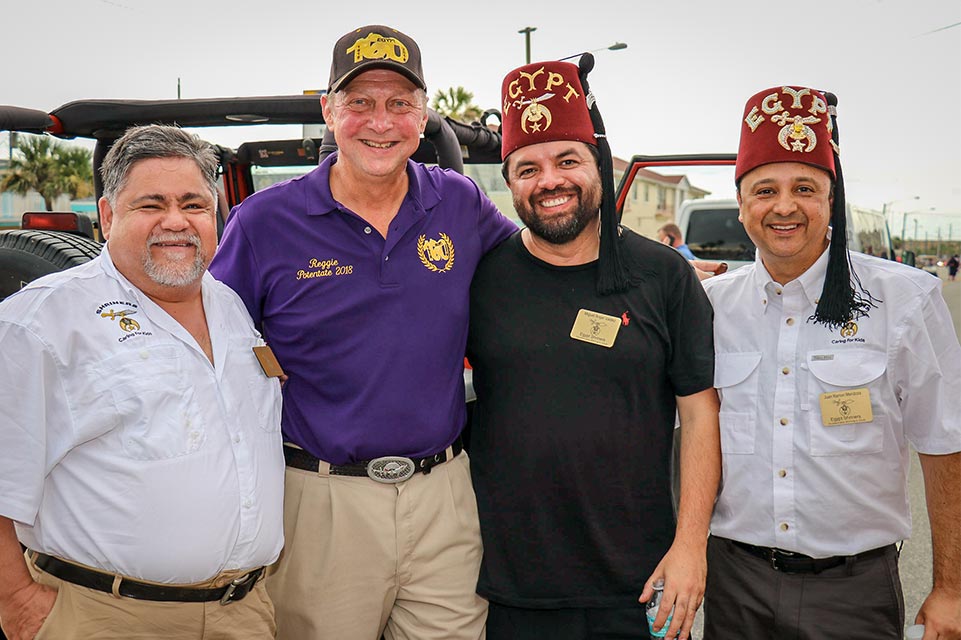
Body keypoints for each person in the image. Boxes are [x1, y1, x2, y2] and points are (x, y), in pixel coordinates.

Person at [208, 25, 517, 640]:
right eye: (360, 103)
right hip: (322, 501)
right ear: (329, 110)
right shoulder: (264, 223)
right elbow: (207, 347)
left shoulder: (458, 202)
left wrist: (661, 267)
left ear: (423, 113)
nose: (382, 121)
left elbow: (541, 268)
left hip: (445, 497)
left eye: (400, 103)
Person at [466, 57, 720, 640]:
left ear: (598, 166)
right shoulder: (482, 279)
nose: (549, 181)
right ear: (509, 182)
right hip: (513, 586)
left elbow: (700, 414)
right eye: (527, 168)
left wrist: (690, 546)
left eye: (567, 160)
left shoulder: (663, 276)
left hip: (642, 580)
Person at [0, 124, 284, 640]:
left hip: (241, 613)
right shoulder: (40, 321)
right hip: (106, 617)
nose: (175, 222)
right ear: (108, 216)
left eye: (194, 205)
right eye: (151, 204)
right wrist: (17, 601)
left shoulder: (231, 307)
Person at [702, 86, 961, 639]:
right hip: (735, 585)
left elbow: (946, 444)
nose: (785, 206)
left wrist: (951, 589)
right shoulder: (710, 309)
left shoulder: (905, 299)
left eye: (805, 188)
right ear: (742, 203)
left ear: (831, 199)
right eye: (764, 189)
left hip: (854, 592)